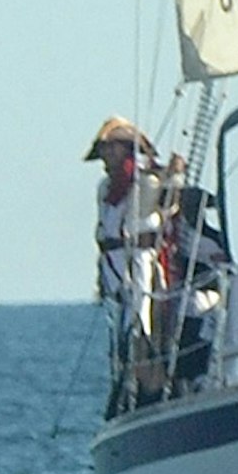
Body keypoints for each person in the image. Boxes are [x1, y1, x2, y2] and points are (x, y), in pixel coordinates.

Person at [88, 120, 155, 388]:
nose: (107, 154)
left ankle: (144, 378)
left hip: (138, 264)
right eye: (104, 149)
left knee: (139, 323)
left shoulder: (146, 181)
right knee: (120, 329)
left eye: (112, 148)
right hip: (113, 269)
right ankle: (128, 382)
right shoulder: (106, 188)